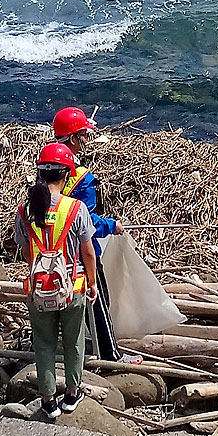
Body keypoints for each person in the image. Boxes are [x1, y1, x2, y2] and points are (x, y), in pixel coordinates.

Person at [14, 143, 98, 419]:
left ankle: (48, 401)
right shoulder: (75, 208)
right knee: (74, 342)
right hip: (72, 288)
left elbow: (26, 252)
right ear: (66, 175)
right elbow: (88, 251)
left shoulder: (25, 209)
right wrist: (93, 283)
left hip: (38, 289)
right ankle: (72, 395)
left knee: (43, 342)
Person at [53, 107, 141, 365]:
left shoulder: (48, 168)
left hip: (53, 246)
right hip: (80, 250)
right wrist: (111, 225)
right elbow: (86, 221)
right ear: (73, 138)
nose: (86, 141)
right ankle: (110, 355)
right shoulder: (82, 179)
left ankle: (71, 346)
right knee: (98, 299)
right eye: (83, 136)